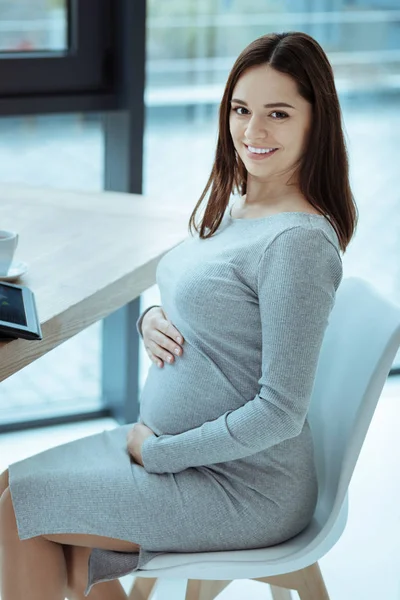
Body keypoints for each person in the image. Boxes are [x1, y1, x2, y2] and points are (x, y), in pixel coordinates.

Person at [0, 31, 358, 599]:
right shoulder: (243, 203)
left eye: (278, 113)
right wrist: (153, 321)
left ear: (317, 121)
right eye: (241, 109)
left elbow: (281, 412)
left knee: (19, 512)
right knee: (10, 495)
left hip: (242, 486)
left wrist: (160, 452)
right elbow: (212, 300)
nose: (252, 132)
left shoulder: (298, 243)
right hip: (181, 457)